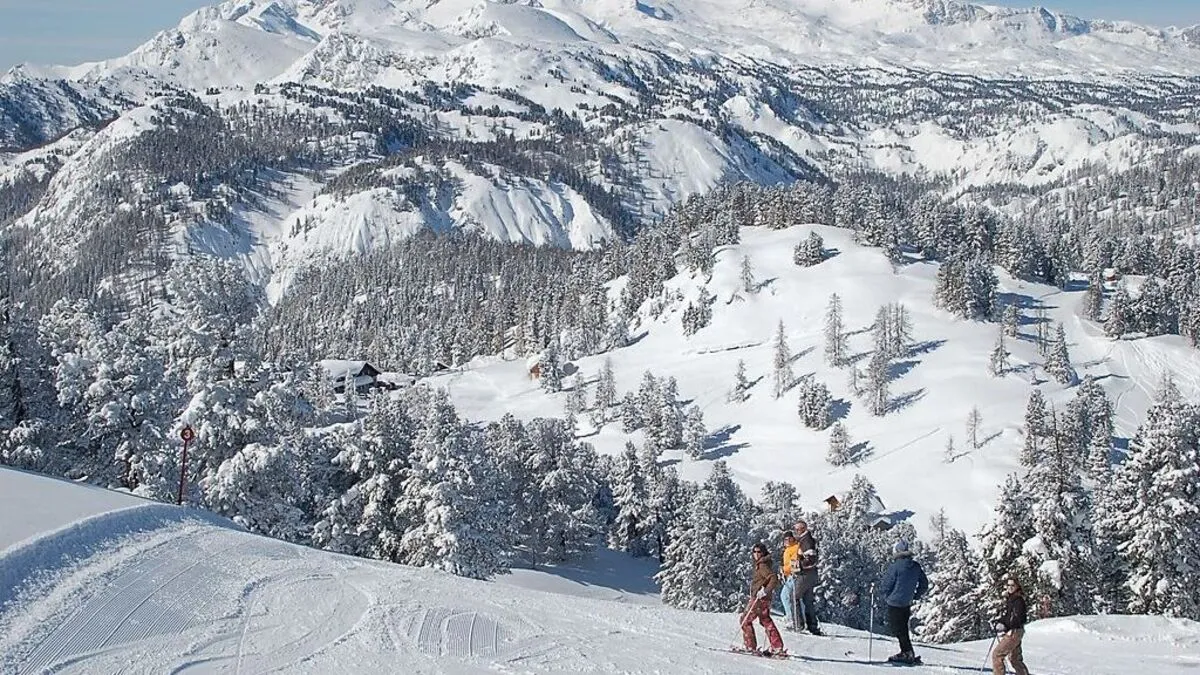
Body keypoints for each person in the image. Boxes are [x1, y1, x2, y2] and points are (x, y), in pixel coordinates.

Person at [879, 539, 928, 665]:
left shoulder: (895, 567)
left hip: (894, 602)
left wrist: (885, 595)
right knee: (903, 628)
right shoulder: (916, 566)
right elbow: (924, 584)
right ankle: (907, 652)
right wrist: (916, 595)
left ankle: (907, 653)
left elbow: (887, 584)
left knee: (897, 629)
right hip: (906, 602)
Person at [742, 542, 786, 656]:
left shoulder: (762, 565)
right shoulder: (762, 563)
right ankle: (777, 646)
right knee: (765, 620)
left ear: (763, 553)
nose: (756, 554)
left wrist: (765, 591)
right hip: (763, 598)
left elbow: (773, 578)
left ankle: (750, 646)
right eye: (754, 552)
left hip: (760, 599)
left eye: (759, 552)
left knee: (745, 620)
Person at [991, 576, 1030, 675]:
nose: (1010, 587)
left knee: (997, 655)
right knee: (1014, 658)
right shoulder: (1012, 599)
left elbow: (1018, 619)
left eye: (1013, 585)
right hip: (1016, 631)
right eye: (1008, 585)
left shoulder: (1018, 600)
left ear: (1017, 586)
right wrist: (999, 621)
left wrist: (1004, 625)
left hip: (1014, 632)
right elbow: (1009, 616)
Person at [791, 520, 823, 635]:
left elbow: (811, 559)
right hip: (811, 574)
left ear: (803, 529)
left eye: (798, 529)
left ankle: (798, 625)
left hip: (806, 574)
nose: (796, 531)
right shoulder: (805, 540)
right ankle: (812, 626)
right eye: (795, 529)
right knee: (808, 600)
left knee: (794, 597)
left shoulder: (806, 541)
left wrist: (798, 564)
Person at [779, 531, 801, 630]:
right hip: (790, 576)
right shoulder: (788, 549)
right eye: (786, 539)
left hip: (794, 575)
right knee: (790, 597)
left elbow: (794, 563)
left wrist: (784, 569)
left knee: (785, 596)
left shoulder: (795, 547)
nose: (787, 541)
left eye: (789, 539)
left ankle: (792, 619)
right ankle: (795, 619)